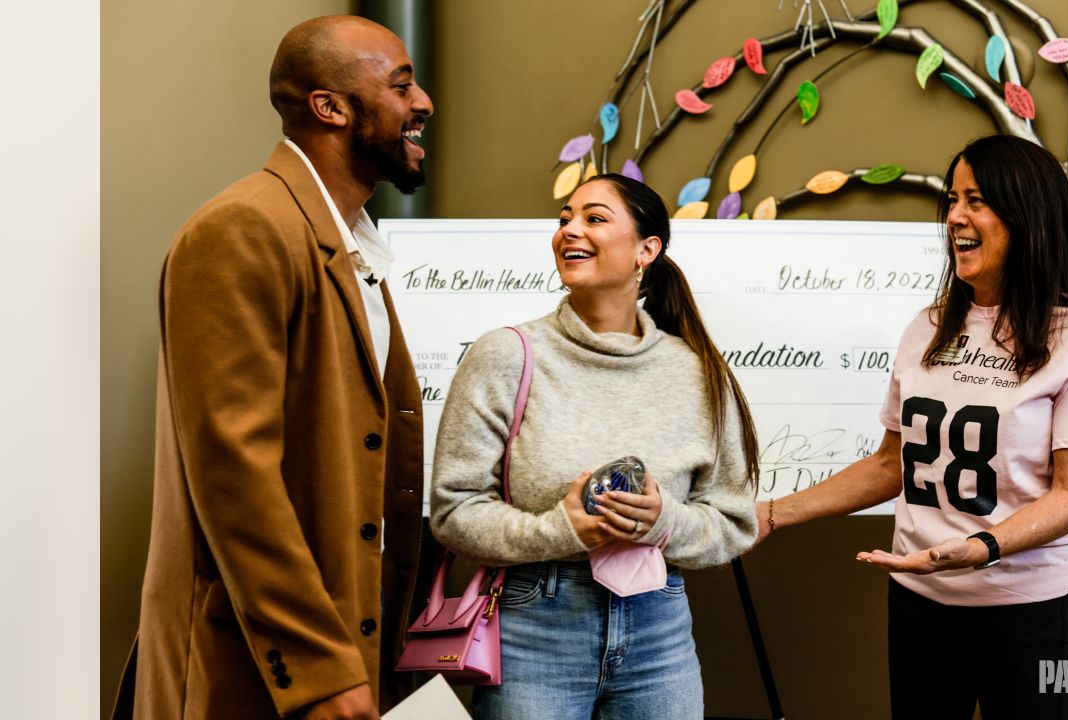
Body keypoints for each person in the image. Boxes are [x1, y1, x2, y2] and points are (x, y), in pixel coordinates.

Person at [113, 16, 433, 720]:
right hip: (260, 670)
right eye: (402, 84)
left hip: (346, 652)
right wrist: (318, 667)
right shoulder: (243, 229)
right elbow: (235, 471)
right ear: (330, 107)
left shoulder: (351, 244)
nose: (424, 104)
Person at [754, 135, 1068, 720]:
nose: (955, 215)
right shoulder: (928, 326)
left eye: (977, 199)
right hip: (919, 597)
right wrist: (773, 513)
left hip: (1028, 606)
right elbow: (889, 465)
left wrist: (980, 548)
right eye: (953, 198)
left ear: (1028, 214)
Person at [430, 173, 760, 719]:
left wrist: (663, 523)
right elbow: (453, 510)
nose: (570, 230)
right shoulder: (505, 356)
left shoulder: (697, 371)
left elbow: (733, 522)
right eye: (564, 218)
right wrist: (558, 530)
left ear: (647, 250)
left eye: (594, 218)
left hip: (661, 633)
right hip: (533, 628)